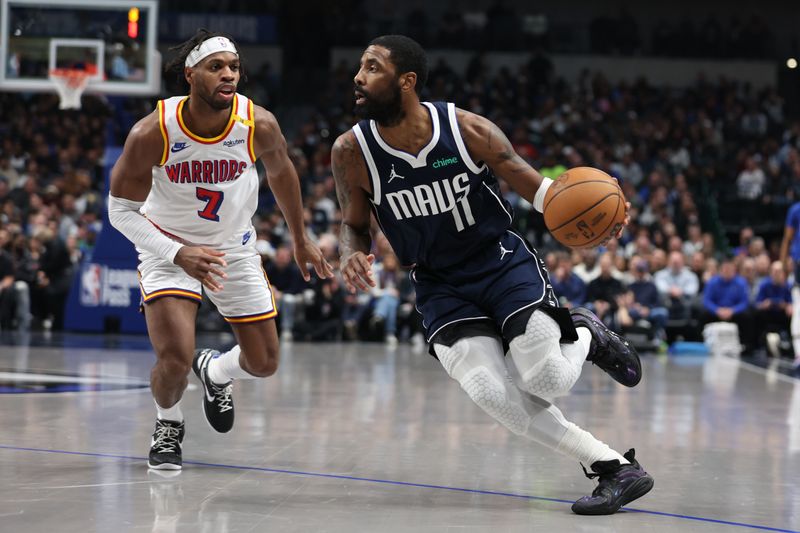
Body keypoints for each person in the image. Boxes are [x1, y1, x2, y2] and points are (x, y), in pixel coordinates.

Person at [331, 34, 652, 515]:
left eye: (372, 68)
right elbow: (353, 226)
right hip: (438, 283)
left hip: (499, 262)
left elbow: (544, 193)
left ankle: (584, 332)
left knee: (545, 378)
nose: (358, 77)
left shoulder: (466, 130)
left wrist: (599, 216)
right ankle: (613, 467)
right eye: (360, 67)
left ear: (407, 81)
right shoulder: (350, 151)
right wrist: (350, 252)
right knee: (487, 390)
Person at [108, 29, 332, 470]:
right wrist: (176, 253)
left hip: (232, 247)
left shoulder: (258, 123)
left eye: (233, 67)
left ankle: (215, 372)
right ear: (190, 75)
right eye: (216, 67)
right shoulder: (152, 132)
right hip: (167, 249)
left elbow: (282, 174)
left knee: (265, 362)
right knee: (173, 360)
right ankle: (168, 423)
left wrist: (301, 239)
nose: (229, 75)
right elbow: (120, 212)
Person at [779, 201, 800, 372]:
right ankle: (799, 353)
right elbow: (787, 238)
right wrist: (783, 263)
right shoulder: (796, 209)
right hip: (799, 262)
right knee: (799, 307)